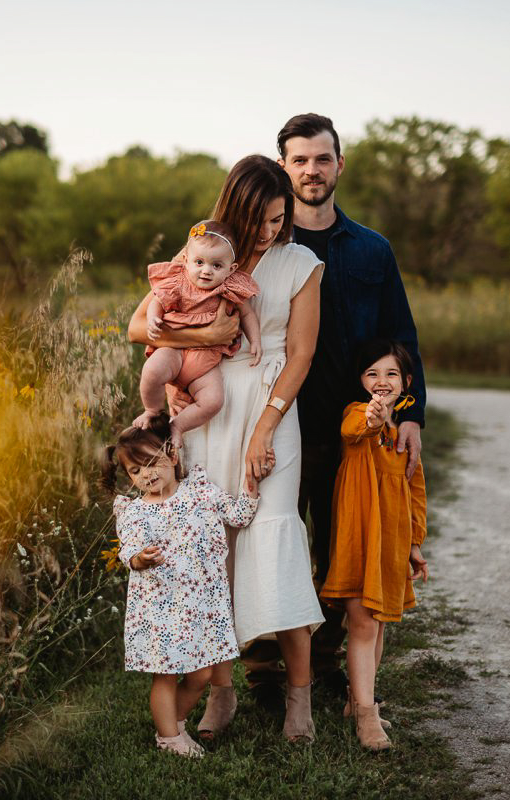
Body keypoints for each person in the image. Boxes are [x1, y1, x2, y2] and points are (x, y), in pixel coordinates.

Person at [127, 155, 325, 742]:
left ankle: (300, 699)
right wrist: (206, 337)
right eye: (262, 219)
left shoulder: (301, 264)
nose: (271, 230)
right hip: (206, 407)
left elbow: (302, 355)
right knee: (214, 553)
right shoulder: (204, 253)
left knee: (275, 537)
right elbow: (141, 326)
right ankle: (222, 693)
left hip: (268, 405)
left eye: (279, 218)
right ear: (237, 209)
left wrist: (267, 426)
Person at [237, 113, 429, 705]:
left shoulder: (372, 249)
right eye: (299, 160)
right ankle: (266, 669)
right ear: (283, 166)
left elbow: (402, 334)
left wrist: (413, 412)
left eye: (322, 158)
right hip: (278, 423)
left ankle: (322, 666)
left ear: (339, 164)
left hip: (355, 431)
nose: (311, 170)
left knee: (340, 554)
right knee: (268, 542)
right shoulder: (266, 244)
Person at [101, 412, 258, 758]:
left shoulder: (199, 490)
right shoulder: (135, 511)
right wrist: (140, 559)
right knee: (166, 676)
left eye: (151, 462)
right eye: (135, 471)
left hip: (203, 605)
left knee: (202, 675)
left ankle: (176, 722)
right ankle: (168, 737)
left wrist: (251, 485)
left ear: (171, 455)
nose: (147, 475)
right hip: (160, 607)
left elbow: (237, 515)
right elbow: (129, 549)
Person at [319, 338, 429, 750]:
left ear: (407, 381)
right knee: (362, 621)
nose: (381, 381)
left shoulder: (406, 433)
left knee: (376, 623)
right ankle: (367, 716)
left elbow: (415, 489)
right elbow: (356, 428)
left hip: (392, 538)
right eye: (372, 373)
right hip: (358, 534)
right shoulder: (355, 414)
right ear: (360, 381)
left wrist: (414, 544)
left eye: (391, 374)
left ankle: (358, 699)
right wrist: (374, 416)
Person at [134, 220, 262, 447]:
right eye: (199, 262)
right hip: (174, 350)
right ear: (186, 261)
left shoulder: (230, 287)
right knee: (152, 371)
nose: (206, 270)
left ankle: (178, 426)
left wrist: (256, 341)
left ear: (231, 269)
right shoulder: (178, 282)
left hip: (205, 362)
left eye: (216, 266)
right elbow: (158, 301)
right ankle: (152, 411)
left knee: (213, 401)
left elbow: (248, 315)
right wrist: (154, 318)